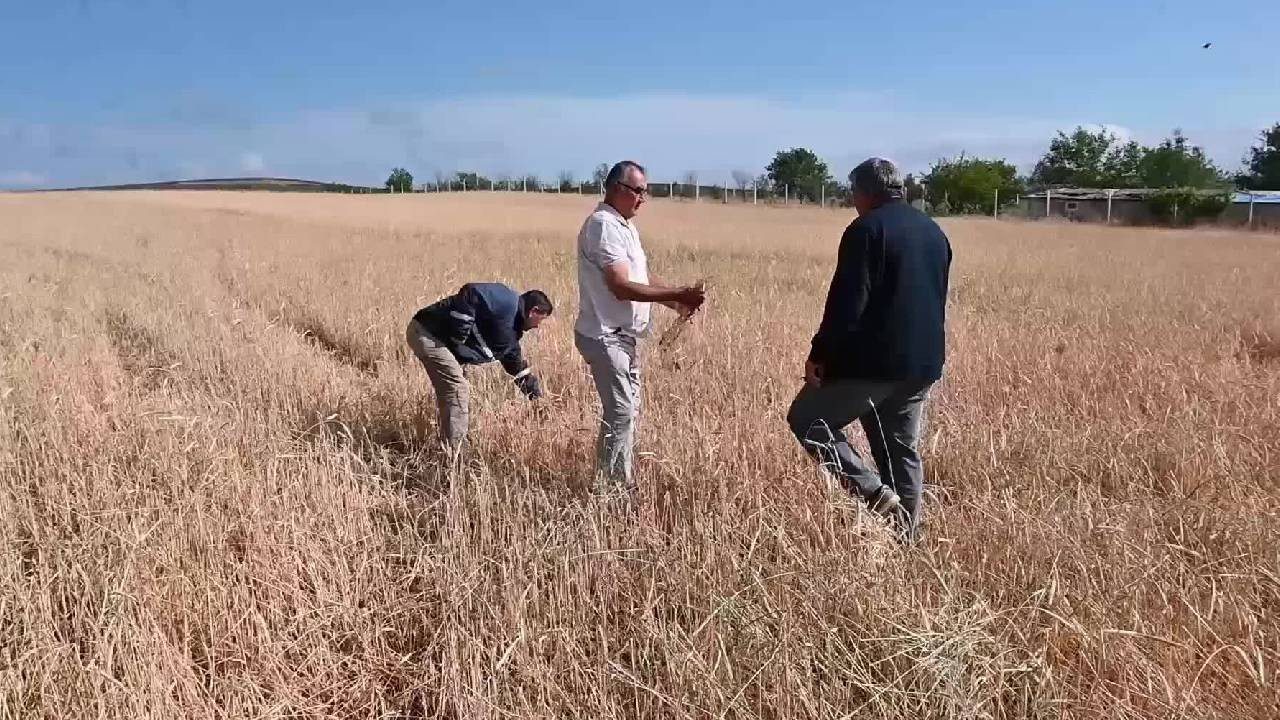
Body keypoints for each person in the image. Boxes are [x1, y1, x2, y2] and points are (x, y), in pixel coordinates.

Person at [786, 157, 952, 539]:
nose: (853, 201)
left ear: (864, 192)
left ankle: (875, 494)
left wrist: (820, 352)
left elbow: (848, 302)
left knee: (807, 420)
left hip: (873, 364)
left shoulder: (865, 230)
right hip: (923, 363)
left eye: (853, 194)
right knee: (901, 451)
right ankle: (907, 539)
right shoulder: (933, 231)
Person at [575, 160, 705, 493]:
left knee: (626, 413)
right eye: (638, 191)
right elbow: (620, 285)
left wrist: (676, 302)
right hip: (605, 335)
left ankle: (616, 483)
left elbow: (641, 279)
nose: (643, 199)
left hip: (624, 339)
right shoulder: (603, 225)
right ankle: (612, 491)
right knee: (620, 413)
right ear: (618, 188)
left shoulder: (625, 226)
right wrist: (677, 292)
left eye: (645, 191)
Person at [406, 283, 552, 453]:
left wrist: (535, 395)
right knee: (457, 388)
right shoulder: (507, 301)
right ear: (533, 311)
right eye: (540, 319)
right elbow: (471, 291)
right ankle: (457, 454)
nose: (537, 326)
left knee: (457, 391)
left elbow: (514, 363)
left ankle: (451, 442)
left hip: (439, 341)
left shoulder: (511, 331)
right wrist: (460, 333)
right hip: (428, 333)